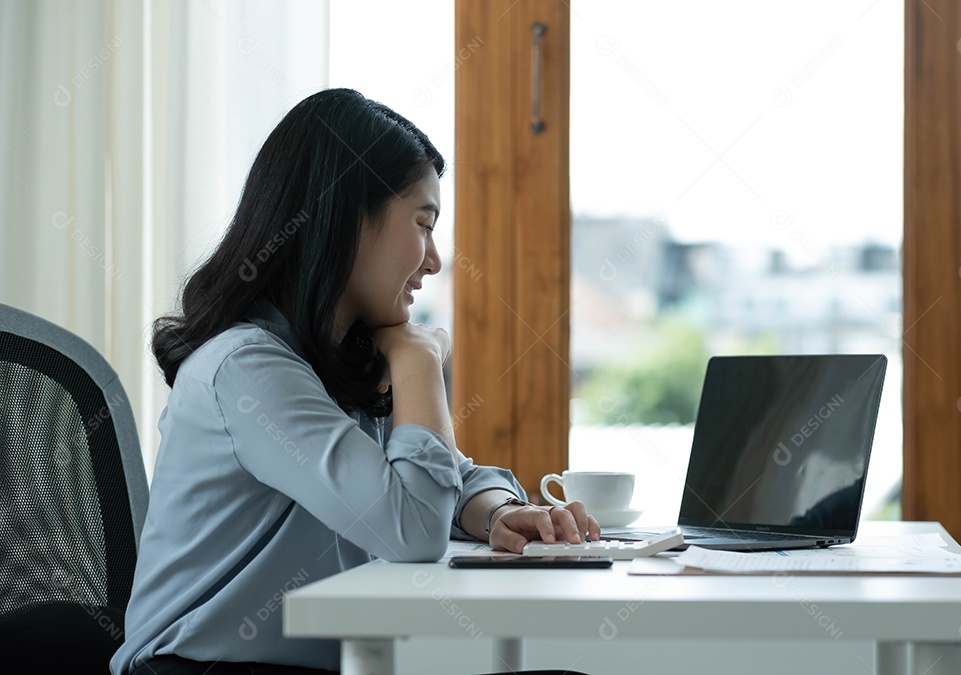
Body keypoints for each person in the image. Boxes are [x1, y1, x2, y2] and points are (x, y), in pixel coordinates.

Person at [111, 88, 598, 675]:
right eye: (423, 224)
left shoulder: (340, 359)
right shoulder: (248, 368)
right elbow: (415, 527)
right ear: (344, 220)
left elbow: (451, 476)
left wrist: (497, 514)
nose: (435, 260)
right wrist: (420, 362)